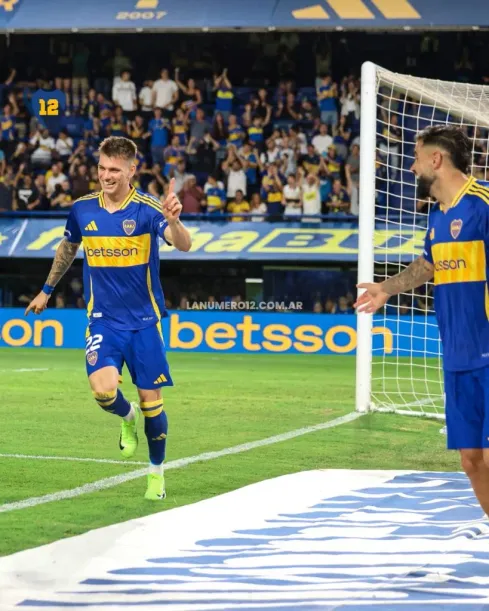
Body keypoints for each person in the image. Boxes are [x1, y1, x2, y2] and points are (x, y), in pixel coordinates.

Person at [24, 136, 192, 501]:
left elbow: (183, 244)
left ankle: (156, 474)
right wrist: (46, 290)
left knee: (153, 405)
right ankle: (127, 416)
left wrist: (174, 221)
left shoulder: (147, 209)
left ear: (132, 170)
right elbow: (68, 248)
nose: (106, 175)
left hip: (145, 323)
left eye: (114, 169)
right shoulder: (83, 209)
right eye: (101, 168)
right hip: (103, 320)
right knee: (103, 391)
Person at [355, 125, 489, 518]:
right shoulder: (437, 216)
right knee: (471, 460)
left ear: (436, 159)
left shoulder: (483, 203)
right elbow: (427, 265)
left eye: (415, 159)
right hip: (458, 355)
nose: (412, 168)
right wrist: (386, 288)